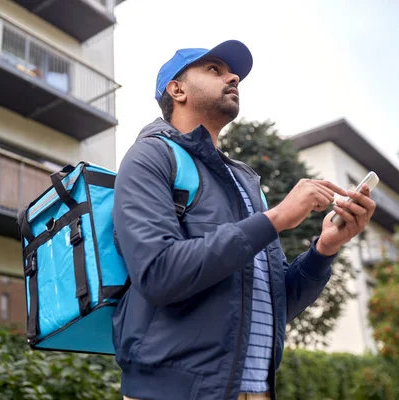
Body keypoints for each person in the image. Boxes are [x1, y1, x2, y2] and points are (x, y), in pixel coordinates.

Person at [111, 40, 376, 400]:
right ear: (177, 89)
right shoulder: (150, 156)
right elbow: (158, 273)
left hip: (255, 391)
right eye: (214, 69)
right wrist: (277, 217)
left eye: (232, 72)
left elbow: (275, 303)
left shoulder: (247, 182)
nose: (234, 76)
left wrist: (325, 248)